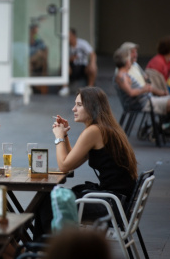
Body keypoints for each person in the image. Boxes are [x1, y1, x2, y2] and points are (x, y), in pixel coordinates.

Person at [39, 87, 137, 235]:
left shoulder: (94, 131)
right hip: (117, 201)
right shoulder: (103, 128)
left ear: (92, 107)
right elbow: (73, 159)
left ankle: (45, 249)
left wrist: (58, 137)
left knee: (48, 201)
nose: (73, 109)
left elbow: (64, 166)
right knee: (49, 198)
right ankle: (42, 249)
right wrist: (65, 136)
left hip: (110, 205)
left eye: (79, 105)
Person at [113, 47, 170, 142]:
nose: (132, 61)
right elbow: (131, 93)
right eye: (130, 59)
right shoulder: (121, 76)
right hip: (144, 103)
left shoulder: (126, 74)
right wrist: (144, 89)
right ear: (127, 61)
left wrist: (158, 91)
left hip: (149, 100)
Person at [59, 28, 97, 97]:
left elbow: (92, 54)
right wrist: (71, 59)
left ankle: (90, 89)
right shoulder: (65, 46)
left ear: (73, 36)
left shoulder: (82, 43)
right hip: (72, 67)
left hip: (83, 66)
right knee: (64, 67)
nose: (68, 38)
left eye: (69, 36)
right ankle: (65, 87)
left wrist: (92, 63)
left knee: (93, 68)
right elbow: (63, 60)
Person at [29, 22, 49, 94]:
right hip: (28, 63)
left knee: (39, 53)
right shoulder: (25, 41)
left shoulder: (38, 41)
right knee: (29, 64)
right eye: (33, 32)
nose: (34, 34)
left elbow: (44, 50)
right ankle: (29, 86)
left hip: (37, 62)